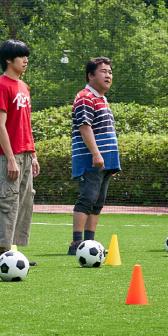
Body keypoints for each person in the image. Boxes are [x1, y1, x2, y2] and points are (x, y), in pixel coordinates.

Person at [0, 39, 40, 266]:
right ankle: (3, 255)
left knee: (24, 202)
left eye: (26, 56)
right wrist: (11, 159)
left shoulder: (23, 86)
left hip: (25, 154)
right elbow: (0, 125)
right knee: (6, 201)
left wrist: (33, 154)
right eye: (21, 56)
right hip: (7, 155)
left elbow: (25, 123)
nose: (26, 60)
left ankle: (15, 254)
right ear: (9, 60)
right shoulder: (2, 86)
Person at [67, 58, 121, 255]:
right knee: (87, 198)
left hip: (104, 163)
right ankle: (76, 243)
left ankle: (89, 243)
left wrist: (111, 163)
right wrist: (96, 154)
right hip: (90, 160)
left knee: (97, 202)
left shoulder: (102, 99)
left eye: (110, 72)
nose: (108, 75)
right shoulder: (85, 97)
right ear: (90, 75)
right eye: (103, 71)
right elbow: (85, 127)